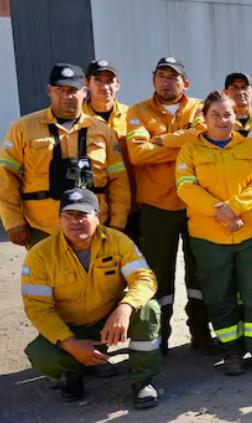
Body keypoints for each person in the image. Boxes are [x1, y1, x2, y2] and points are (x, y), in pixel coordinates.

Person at [176, 91, 252, 376]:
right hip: (210, 238)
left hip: (251, 235)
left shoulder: (249, 148)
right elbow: (186, 188)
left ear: (235, 116)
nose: (222, 120)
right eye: (215, 114)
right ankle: (232, 353)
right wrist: (223, 214)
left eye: (227, 114)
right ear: (204, 118)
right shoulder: (190, 151)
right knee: (219, 297)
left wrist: (235, 208)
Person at [21, 189, 162, 409]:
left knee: (148, 309)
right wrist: (70, 343)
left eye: (82, 215)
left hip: (108, 322)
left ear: (98, 216)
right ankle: (72, 374)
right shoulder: (41, 255)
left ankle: (142, 380)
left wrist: (125, 308)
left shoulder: (117, 241)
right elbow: (38, 309)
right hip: (70, 327)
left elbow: (144, 278)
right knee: (42, 355)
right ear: (60, 219)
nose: (75, 222)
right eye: (68, 216)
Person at [126, 57, 207, 354]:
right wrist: (181, 145)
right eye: (161, 75)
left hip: (195, 204)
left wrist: (159, 141)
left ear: (186, 82)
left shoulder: (199, 108)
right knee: (158, 276)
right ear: (153, 79)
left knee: (200, 274)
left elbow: (202, 139)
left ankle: (201, 334)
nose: (166, 81)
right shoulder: (138, 111)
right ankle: (159, 337)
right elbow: (137, 154)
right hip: (156, 207)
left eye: (173, 77)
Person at [1, 64, 130, 248]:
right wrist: (13, 221)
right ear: (49, 91)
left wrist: (118, 223)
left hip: (94, 226)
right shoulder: (23, 128)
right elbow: (6, 177)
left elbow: (119, 181)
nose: (67, 96)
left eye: (73, 90)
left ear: (84, 92)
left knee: (98, 276)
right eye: (60, 90)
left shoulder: (102, 131)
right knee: (45, 276)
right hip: (42, 228)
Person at [84, 60, 138, 241]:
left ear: (118, 85)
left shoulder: (133, 116)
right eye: (98, 80)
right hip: (91, 207)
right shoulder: (78, 120)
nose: (104, 86)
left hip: (132, 207)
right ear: (87, 84)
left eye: (109, 81)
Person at [223, 72, 252, 137]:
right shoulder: (220, 125)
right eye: (235, 87)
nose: (240, 92)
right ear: (225, 93)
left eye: (244, 87)